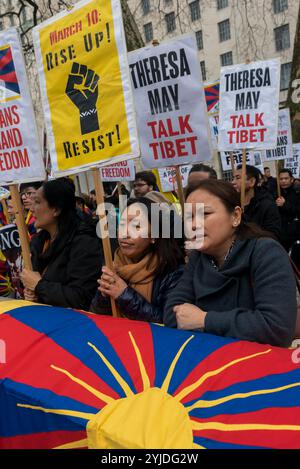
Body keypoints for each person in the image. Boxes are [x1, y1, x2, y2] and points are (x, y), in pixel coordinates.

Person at [164, 179, 297, 347]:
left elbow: (277, 328)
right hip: (207, 362)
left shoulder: (265, 252)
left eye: (204, 214)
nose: (194, 225)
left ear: (235, 216)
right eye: (189, 217)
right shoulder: (198, 257)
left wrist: (204, 320)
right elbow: (173, 313)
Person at [90, 197, 185, 322]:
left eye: (136, 226)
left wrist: (124, 295)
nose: (124, 234)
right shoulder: (114, 265)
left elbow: (169, 321)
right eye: (122, 224)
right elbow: (95, 315)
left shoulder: (172, 271)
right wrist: (103, 296)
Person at [20, 178, 102, 310]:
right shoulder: (38, 242)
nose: (32, 209)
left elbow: (82, 298)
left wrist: (39, 285)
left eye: (37, 202)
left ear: (56, 210)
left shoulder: (84, 243)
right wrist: (32, 293)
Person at [232, 164, 281, 240]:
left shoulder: (267, 205)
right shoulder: (232, 205)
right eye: (233, 178)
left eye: (238, 178)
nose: (233, 182)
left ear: (252, 182)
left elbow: (273, 236)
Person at [276, 168, 300, 267]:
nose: (283, 181)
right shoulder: (275, 192)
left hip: (294, 233)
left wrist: (285, 205)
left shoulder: (297, 193)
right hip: (280, 233)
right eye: (281, 179)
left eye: (286, 178)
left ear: (292, 179)